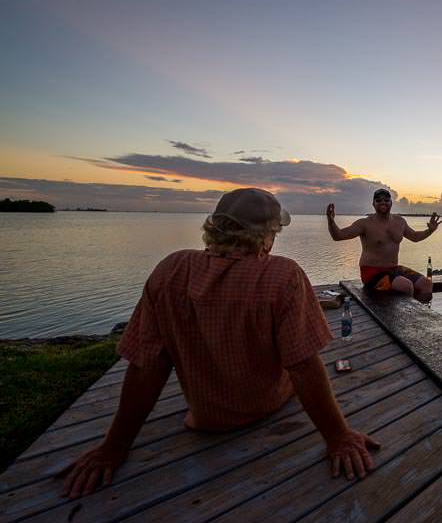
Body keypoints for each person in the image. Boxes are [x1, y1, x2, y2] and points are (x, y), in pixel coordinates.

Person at [59, 188, 380, 499]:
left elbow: (147, 366)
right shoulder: (283, 275)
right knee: (306, 354)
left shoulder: (171, 269)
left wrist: (113, 447)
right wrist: (338, 437)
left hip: (205, 418)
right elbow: (303, 366)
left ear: (215, 226)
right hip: (267, 404)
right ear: (267, 236)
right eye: (275, 233)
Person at [326, 188, 441, 302]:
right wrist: (331, 222)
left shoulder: (400, 221)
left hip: (394, 269)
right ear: (373, 204)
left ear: (391, 203)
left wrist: (429, 230)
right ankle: (406, 316)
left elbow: (415, 237)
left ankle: (419, 315)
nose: (383, 203)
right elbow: (338, 236)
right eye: (379, 200)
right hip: (371, 273)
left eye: (386, 200)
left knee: (426, 284)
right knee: (406, 286)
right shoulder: (364, 223)